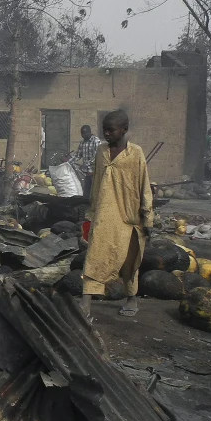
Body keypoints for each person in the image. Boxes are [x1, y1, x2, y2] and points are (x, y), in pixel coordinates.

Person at [80, 110, 153, 321]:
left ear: (124, 130)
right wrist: (91, 213)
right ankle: (86, 301)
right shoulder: (101, 151)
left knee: (130, 261)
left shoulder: (136, 153)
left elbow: (144, 186)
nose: (106, 133)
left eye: (111, 130)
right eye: (104, 129)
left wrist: (147, 218)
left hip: (129, 217)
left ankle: (131, 298)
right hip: (104, 214)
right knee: (95, 254)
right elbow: (96, 184)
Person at [70, 124, 103, 197]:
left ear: (89, 132)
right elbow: (78, 155)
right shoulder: (82, 143)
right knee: (86, 191)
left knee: (95, 191)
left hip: (95, 171)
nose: (83, 135)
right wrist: (69, 162)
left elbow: (97, 156)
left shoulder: (96, 141)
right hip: (86, 172)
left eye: (85, 133)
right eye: (82, 133)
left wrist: (87, 164)